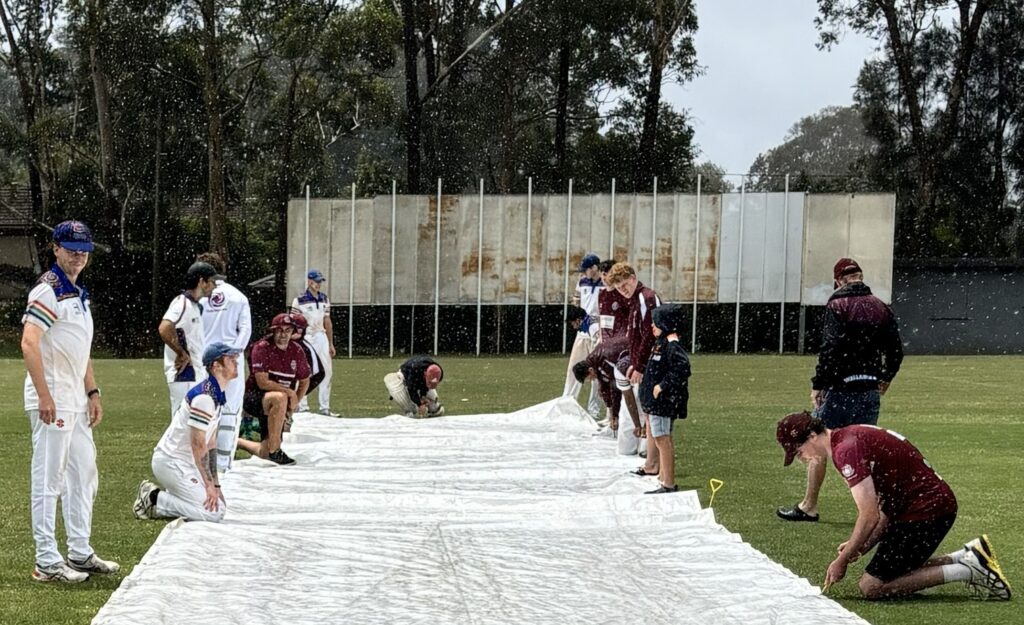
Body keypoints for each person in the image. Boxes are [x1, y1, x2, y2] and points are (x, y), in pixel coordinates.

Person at [776, 412, 1011, 601]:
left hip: (927, 512)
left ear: (812, 437)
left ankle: (968, 570)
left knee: (872, 586)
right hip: (923, 506)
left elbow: (869, 514)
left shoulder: (845, 451)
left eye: (798, 452)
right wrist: (861, 546)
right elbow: (884, 506)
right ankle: (964, 557)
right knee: (888, 569)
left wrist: (843, 559)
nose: (802, 458)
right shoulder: (849, 436)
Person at [22, 220, 119, 583]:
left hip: (75, 399)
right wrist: (45, 396)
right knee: (49, 479)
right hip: (54, 400)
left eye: (84, 250)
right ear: (55, 248)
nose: (78, 255)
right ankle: (46, 560)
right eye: (71, 248)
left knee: (83, 475)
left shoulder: (78, 293)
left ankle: (80, 551)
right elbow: (29, 343)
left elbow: (81, 350)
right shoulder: (47, 291)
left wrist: (92, 392)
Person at [777, 257, 904, 523]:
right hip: (869, 388)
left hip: (839, 388)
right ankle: (878, 513)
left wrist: (818, 383)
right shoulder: (881, 307)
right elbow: (895, 349)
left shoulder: (838, 305)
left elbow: (830, 349)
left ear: (838, 281)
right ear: (861, 276)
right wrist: (886, 376)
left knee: (817, 442)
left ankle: (809, 505)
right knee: (865, 451)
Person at [133, 343, 241, 522]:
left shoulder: (216, 395)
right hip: (172, 461)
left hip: (184, 462)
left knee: (219, 506)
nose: (236, 363)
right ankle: (154, 498)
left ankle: (169, 499)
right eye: (231, 359)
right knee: (214, 513)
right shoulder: (205, 398)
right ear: (216, 366)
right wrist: (208, 485)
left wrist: (215, 484)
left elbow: (211, 444)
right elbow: (198, 444)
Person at [196, 252, 252, 473]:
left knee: (204, 412)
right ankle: (222, 467)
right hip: (229, 360)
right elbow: (246, 328)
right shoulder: (237, 296)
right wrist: (235, 352)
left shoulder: (198, 298)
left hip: (203, 361)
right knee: (229, 413)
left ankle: (201, 468)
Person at [605, 262, 661, 464]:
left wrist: (640, 365)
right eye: (619, 288)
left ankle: (651, 456)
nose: (623, 290)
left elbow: (649, 335)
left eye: (624, 284)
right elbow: (635, 338)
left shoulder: (646, 297)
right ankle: (640, 452)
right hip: (641, 362)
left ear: (632, 277)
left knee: (649, 410)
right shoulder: (636, 300)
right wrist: (634, 362)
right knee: (642, 408)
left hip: (652, 363)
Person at [236, 314, 310, 465]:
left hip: (279, 402)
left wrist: (293, 405)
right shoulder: (262, 347)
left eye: (288, 330)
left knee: (264, 453)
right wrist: (290, 393)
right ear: (273, 331)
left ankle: (235, 441)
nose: (283, 334)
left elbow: (305, 380)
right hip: (254, 397)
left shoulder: (297, 350)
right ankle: (276, 451)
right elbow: (262, 382)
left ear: (293, 332)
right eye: (279, 330)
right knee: (279, 397)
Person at [637, 304, 691, 494]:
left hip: (663, 403)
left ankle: (668, 482)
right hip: (655, 403)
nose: (652, 326)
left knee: (662, 439)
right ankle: (662, 476)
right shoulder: (660, 342)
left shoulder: (671, 344)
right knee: (661, 438)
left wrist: (662, 386)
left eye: (656, 322)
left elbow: (682, 369)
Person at [158, 261, 217, 418]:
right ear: (201, 281)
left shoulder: (195, 306)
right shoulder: (182, 303)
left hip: (195, 374)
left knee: (193, 424)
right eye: (211, 281)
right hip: (184, 375)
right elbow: (164, 328)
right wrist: (181, 353)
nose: (214, 286)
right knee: (182, 424)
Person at [571, 335, 642, 446]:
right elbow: (604, 386)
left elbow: (615, 387)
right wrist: (612, 413)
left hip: (634, 358)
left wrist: (615, 414)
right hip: (626, 355)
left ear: (590, 370)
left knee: (632, 400)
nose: (591, 380)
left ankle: (638, 428)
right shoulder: (595, 361)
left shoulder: (605, 360)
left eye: (589, 378)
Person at [291, 269, 337, 416]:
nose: (318, 284)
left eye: (319, 281)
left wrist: (330, 343)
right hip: (306, 336)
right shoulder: (299, 300)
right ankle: (302, 405)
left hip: (320, 335)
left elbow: (327, 321)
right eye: (316, 281)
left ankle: (325, 407)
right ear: (309, 281)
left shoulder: (324, 298)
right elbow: (294, 321)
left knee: (327, 371)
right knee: (305, 370)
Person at [563, 254, 603, 418]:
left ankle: (594, 411)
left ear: (594, 268)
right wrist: (576, 315)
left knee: (596, 372)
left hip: (598, 329)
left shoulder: (605, 284)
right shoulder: (582, 282)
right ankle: (567, 404)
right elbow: (576, 300)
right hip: (583, 330)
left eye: (586, 269)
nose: (584, 273)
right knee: (574, 367)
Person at [596, 259, 630, 341]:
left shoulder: (622, 293)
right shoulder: (601, 294)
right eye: (603, 274)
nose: (604, 277)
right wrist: (600, 336)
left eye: (607, 274)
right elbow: (600, 316)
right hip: (605, 339)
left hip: (619, 339)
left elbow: (629, 316)